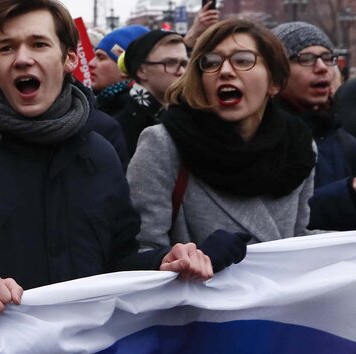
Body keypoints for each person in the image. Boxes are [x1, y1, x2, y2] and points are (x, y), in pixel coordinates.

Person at [0, 0, 214, 329]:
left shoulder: (100, 153)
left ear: (69, 59)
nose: (23, 58)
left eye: (38, 44)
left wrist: (165, 260)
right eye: (7, 48)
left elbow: (119, 260)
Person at [128, 19, 316, 252]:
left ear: (274, 82)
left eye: (243, 61)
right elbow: (142, 251)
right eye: (212, 62)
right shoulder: (164, 144)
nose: (225, 71)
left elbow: (298, 241)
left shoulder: (299, 145)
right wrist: (188, 262)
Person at [272, 21, 356, 231]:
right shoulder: (261, 139)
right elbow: (279, 220)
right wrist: (349, 191)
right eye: (306, 59)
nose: (321, 67)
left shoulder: (345, 137)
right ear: (277, 72)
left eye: (327, 58)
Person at [114, 29, 188, 156]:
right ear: (142, 71)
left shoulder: (185, 117)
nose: (181, 71)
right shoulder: (119, 127)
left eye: (184, 64)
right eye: (170, 63)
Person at [88, 25, 149, 115]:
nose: (90, 63)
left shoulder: (132, 115)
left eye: (101, 58)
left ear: (125, 67)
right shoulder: (105, 103)